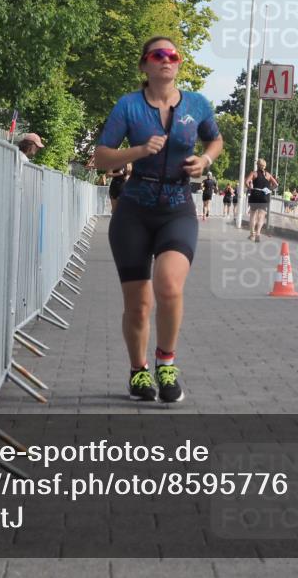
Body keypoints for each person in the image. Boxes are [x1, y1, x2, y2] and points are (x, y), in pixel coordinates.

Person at [93, 36, 222, 403]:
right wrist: (138, 150)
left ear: (178, 64)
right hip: (134, 209)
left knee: (168, 285)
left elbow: (215, 140)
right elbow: (101, 157)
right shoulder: (129, 106)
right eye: (158, 55)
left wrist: (205, 161)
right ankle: (138, 372)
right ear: (145, 65)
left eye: (172, 55)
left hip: (177, 206)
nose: (166, 60)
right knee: (139, 304)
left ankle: (166, 363)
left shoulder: (196, 104)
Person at [244, 158, 278, 242]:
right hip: (264, 196)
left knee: (253, 215)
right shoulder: (268, 175)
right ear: (264, 166)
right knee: (261, 216)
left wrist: (250, 188)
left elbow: (246, 181)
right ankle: (258, 234)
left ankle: (252, 235)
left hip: (255, 195)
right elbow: (276, 184)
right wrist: (270, 189)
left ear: (257, 165)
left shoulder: (254, 173)